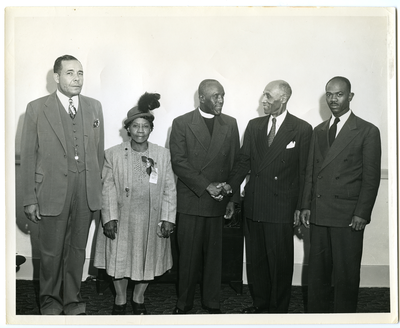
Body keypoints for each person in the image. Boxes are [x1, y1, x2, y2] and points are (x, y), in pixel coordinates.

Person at [20, 55, 104, 315]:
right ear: (56, 77)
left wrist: (97, 193)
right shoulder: (36, 108)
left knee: (77, 249)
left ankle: (72, 300)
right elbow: (28, 156)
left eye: (80, 73)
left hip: (85, 190)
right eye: (69, 73)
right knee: (51, 252)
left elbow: (98, 153)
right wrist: (29, 198)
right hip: (51, 191)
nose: (76, 78)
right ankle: (50, 302)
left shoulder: (94, 106)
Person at [223, 80, 312, 313]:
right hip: (254, 204)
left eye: (269, 96)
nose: (264, 100)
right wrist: (230, 193)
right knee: (257, 261)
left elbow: (305, 172)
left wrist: (301, 206)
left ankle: (279, 309)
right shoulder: (254, 126)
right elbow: (243, 162)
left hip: (282, 206)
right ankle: (261, 304)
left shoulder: (301, 129)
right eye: (263, 95)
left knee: (280, 262)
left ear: (283, 99)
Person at [300, 76, 381, 313]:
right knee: (317, 274)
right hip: (320, 213)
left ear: (350, 96)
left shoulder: (367, 131)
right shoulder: (319, 130)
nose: (333, 99)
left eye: (339, 94)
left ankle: (345, 320)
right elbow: (311, 172)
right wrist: (306, 205)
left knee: (346, 275)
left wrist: (362, 213)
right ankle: (316, 318)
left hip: (348, 216)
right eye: (329, 94)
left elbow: (371, 178)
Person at [94, 92, 177, 315]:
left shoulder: (162, 154)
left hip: (151, 218)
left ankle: (138, 297)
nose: (140, 131)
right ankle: (120, 298)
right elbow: (107, 188)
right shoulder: (112, 155)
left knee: (148, 259)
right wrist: (109, 217)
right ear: (128, 129)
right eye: (136, 126)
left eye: (145, 126)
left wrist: (168, 218)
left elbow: (169, 187)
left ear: (151, 129)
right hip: (122, 217)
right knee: (119, 258)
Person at [169, 79, 240, 314]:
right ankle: (184, 303)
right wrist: (207, 185)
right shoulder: (181, 123)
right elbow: (178, 162)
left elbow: (235, 163)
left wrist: (231, 197)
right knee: (188, 257)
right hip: (192, 199)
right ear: (201, 98)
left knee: (214, 257)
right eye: (215, 96)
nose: (220, 100)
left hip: (218, 201)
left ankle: (212, 302)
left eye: (222, 96)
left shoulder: (230, 124)